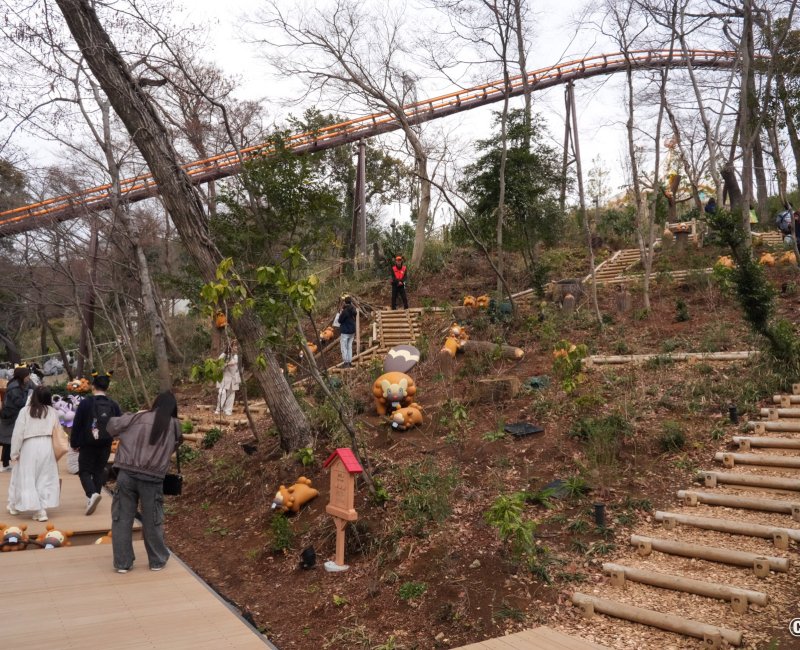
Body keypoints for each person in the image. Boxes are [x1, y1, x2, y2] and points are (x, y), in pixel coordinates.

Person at [107, 391, 182, 573]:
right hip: (153, 478)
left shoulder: (136, 418)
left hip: (127, 475)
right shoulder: (174, 424)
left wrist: (135, 415)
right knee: (153, 519)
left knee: (122, 519)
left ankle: (123, 563)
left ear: (155, 403)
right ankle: (156, 560)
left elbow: (111, 426)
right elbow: (177, 443)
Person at [6, 386, 60, 521]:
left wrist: (14, 453)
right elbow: (58, 431)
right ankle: (40, 509)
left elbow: (17, 433)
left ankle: (28, 508)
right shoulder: (52, 411)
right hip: (47, 445)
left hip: (29, 445)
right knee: (43, 477)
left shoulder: (25, 411)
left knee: (25, 476)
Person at [70, 373, 121, 515]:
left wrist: (74, 442)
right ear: (107, 387)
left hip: (88, 443)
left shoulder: (86, 402)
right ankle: (93, 497)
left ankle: (92, 494)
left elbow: (78, 423)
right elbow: (119, 423)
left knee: (84, 471)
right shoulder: (113, 404)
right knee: (98, 470)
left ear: (93, 386)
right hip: (106, 443)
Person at [0, 366, 32, 472]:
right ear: (22, 376)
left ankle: (6, 463)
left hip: (13, 416)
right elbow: (20, 403)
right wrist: (29, 393)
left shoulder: (20, 384)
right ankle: (5, 464)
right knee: (8, 440)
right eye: (27, 376)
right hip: (10, 416)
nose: (29, 378)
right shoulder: (15, 387)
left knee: (9, 440)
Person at [214, 341, 241, 416]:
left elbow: (237, 365)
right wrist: (227, 364)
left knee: (231, 394)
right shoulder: (223, 355)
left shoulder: (238, 355)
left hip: (234, 376)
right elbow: (218, 365)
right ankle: (218, 409)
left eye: (237, 346)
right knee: (221, 392)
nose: (236, 347)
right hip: (225, 376)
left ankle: (228, 411)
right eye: (235, 346)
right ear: (230, 346)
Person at [337, 296, 357, 368]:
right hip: (352, 331)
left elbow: (339, 320)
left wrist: (341, 312)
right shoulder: (353, 309)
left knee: (344, 347)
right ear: (351, 302)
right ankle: (350, 361)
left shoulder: (345, 311)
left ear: (345, 302)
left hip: (345, 331)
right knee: (349, 346)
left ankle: (346, 362)